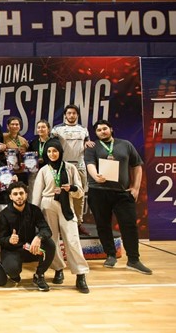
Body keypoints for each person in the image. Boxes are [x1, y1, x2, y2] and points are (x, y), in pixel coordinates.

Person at [85, 120, 152, 275]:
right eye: (99, 130)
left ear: (111, 129)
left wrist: (135, 188)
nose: (102, 132)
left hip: (122, 192)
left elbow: (136, 166)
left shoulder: (126, 145)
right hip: (99, 191)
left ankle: (133, 260)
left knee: (129, 225)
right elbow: (89, 164)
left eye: (104, 128)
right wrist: (96, 176)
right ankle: (110, 255)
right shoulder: (92, 147)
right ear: (96, 133)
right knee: (103, 224)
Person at [32, 141, 90, 293]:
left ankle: (81, 274)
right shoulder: (44, 170)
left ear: (60, 152)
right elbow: (37, 193)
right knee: (52, 240)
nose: (52, 154)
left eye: (55, 151)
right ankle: (58, 269)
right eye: (49, 151)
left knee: (73, 239)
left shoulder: (70, 168)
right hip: (47, 204)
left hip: (66, 205)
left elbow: (80, 192)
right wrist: (34, 213)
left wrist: (71, 188)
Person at [0, 182, 56, 291]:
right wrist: (9, 240)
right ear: (10, 196)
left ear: (26, 194)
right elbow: (1, 239)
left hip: (31, 248)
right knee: (11, 269)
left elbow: (46, 229)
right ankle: (14, 275)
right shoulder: (3, 214)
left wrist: (39, 237)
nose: (19, 196)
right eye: (15, 194)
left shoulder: (35, 210)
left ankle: (39, 275)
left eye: (21, 193)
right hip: (13, 250)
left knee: (50, 245)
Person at [51, 105, 95, 235]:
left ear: (77, 115)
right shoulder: (56, 129)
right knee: (60, 195)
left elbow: (87, 142)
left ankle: (78, 223)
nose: (71, 115)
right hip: (63, 166)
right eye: (69, 113)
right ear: (65, 115)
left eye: (74, 113)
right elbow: (52, 146)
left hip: (79, 166)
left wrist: (87, 143)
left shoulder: (83, 129)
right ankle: (61, 224)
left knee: (79, 195)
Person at [27, 119, 58, 197]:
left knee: (47, 194)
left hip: (49, 171)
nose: (41, 129)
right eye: (39, 127)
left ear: (48, 129)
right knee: (34, 195)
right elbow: (28, 157)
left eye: (43, 127)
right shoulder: (33, 143)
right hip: (35, 172)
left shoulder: (54, 142)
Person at [3, 116, 29, 182]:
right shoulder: (3, 137)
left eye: (17, 124)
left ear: (20, 127)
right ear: (8, 126)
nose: (15, 126)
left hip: (21, 171)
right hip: (8, 171)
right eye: (12, 124)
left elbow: (27, 156)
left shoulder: (23, 140)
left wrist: (24, 153)